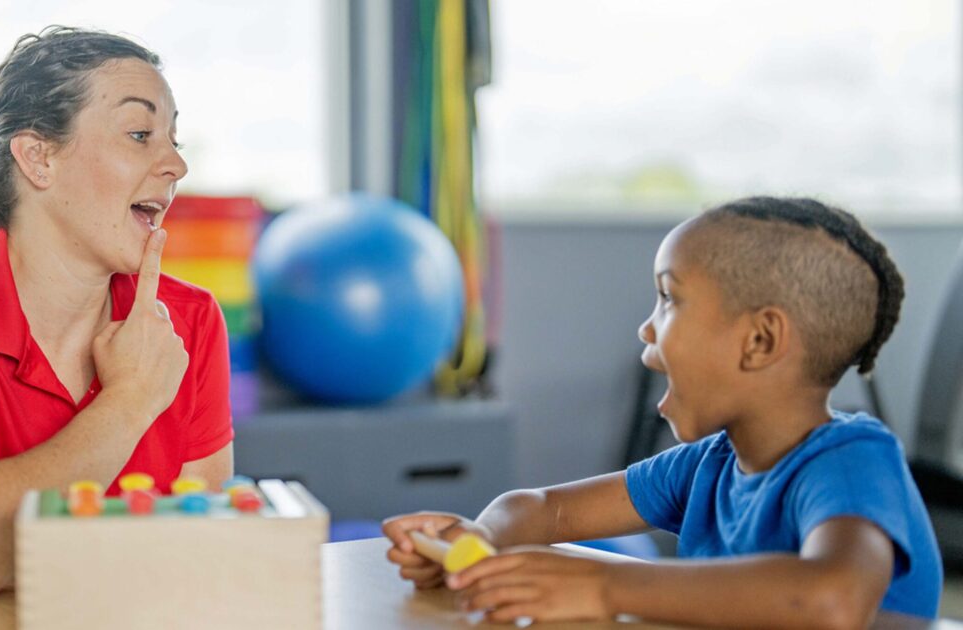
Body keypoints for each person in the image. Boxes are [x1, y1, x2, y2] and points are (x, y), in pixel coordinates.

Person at [383, 197, 943, 627]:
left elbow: (830, 600)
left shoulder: (851, 461)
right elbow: (543, 510)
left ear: (760, 341)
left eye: (669, 298)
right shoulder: (706, 466)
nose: (646, 329)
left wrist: (604, 585)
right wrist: (477, 542)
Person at [0, 26, 234, 599]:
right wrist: (130, 400)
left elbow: (198, 562)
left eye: (173, 139)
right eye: (140, 133)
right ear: (38, 158)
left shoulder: (189, 320)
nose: (175, 165)